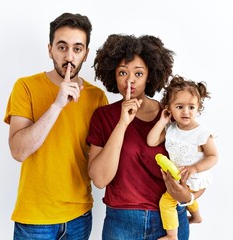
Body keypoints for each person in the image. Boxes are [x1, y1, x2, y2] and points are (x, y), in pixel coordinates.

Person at [3, 12, 108, 240]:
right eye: (62, 47)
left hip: (79, 216)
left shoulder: (97, 97)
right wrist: (57, 105)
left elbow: (101, 159)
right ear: (50, 49)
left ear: (86, 53)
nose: (69, 56)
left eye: (77, 49)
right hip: (35, 219)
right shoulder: (25, 87)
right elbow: (18, 151)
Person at [86, 34, 201, 240]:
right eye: (123, 72)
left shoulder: (171, 114)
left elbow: (197, 163)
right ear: (113, 74)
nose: (130, 80)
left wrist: (189, 197)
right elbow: (100, 179)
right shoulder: (103, 117)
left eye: (138, 73)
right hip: (121, 222)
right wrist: (122, 123)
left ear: (150, 75)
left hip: (169, 222)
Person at [147, 75, 219, 240]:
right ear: (169, 108)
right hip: (179, 178)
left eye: (191, 107)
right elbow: (151, 141)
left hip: (193, 179)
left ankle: (172, 236)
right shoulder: (171, 129)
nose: (186, 112)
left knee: (166, 203)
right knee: (183, 196)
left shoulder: (201, 133)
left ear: (198, 107)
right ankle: (197, 217)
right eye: (179, 106)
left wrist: (195, 168)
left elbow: (213, 156)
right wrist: (162, 121)